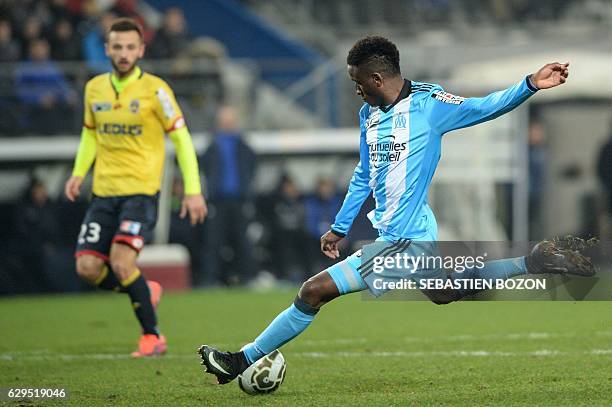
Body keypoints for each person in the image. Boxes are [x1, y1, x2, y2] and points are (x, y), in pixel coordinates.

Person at [196, 36, 595, 383]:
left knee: (312, 291)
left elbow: (483, 107)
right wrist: (339, 225)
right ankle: (534, 261)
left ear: (375, 79)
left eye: (356, 83)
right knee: (446, 291)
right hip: (405, 231)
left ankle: (239, 360)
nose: (355, 91)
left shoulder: (429, 104)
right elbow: (364, 173)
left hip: (405, 240)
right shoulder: (367, 114)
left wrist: (530, 85)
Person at [64, 18, 207, 358]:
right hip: (103, 192)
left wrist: (192, 188)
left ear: (141, 50)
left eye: (131, 47)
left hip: (140, 193)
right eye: (118, 47)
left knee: (122, 262)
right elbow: (89, 133)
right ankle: (144, 289)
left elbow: (182, 139)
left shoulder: (156, 91)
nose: (124, 53)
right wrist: (78, 172)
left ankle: (152, 337)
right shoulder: (94, 88)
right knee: (87, 269)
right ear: (107, 50)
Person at [200, 106, 257, 286]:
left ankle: (247, 278)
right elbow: (205, 167)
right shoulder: (213, 145)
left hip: (239, 200)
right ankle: (210, 279)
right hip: (218, 201)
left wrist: (247, 187)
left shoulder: (242, 145)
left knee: (242, 241)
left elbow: (252, 165)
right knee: (213, 242)